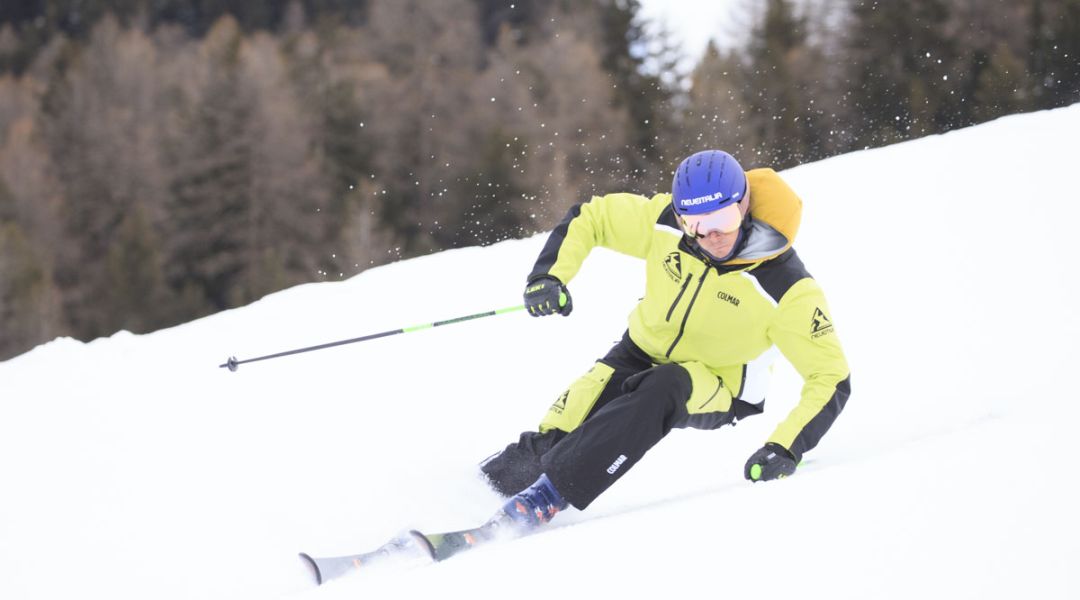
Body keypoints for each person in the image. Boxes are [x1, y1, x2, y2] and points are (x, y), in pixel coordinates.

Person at [481, 149, 851, 529]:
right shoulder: (665, 226)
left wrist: (786, 446)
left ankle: (546, 498)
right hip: (639, 352)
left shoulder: (785, 287)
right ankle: (476, 497)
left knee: (665, 386)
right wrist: (548, 277)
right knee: (548, 445)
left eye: (723, 218)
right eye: (695, 222)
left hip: (720, 383)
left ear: (744, 206)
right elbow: (591, 217)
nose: (711, 236)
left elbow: (831, 377)